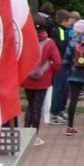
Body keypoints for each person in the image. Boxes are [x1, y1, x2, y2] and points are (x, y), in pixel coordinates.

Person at [22, 16, 62, 146]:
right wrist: (51, 73)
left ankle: (25, 133)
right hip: (43, 80)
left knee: (30, 106)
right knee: (37, 108)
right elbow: (57, 62)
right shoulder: (50, 43)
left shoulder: (25, 41)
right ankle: (34, 137)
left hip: (28, 79)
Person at [49, 9, 75, 125]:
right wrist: (70, 39)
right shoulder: (59, 30)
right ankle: (55, 112)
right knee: (59, 88)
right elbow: (63, 44)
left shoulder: (63, 30)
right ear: (64, 21)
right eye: (69, 21)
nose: (70, 24)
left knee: (65, 88)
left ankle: (60, 110)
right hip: (60, 63)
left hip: (66, 63)